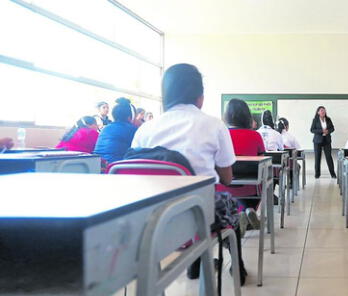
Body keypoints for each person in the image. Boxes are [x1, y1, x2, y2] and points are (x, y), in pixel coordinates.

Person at [131, 63, 248, 284]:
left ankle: (196, 264)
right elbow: (227, 178)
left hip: (153, 217)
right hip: (198, 212)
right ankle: (238, 267)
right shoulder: (213, 125)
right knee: (229, 206)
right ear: (200, 98)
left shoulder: (144, 130)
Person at [221, 98, 265, 230]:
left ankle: (242, 211)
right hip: (252, 189)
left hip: (224, 185)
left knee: (232, 187)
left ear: (227, 116)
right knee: (262, 181)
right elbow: (261, 160)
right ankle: (248, 209)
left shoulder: (222, 135)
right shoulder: (255, 135)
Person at [93, 98, 138, 163]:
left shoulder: (106, 128)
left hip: (97, 166)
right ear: (130, 117)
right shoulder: (132, 129)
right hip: (116, 168)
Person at [310, 106, 337, 178]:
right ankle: (317, 174)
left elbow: (332, 128)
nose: (323, 112)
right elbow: (312, 130)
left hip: (327, 140)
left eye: (324, 110)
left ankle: (333, 174)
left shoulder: (328, 119)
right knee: (317, 157)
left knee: (329, 157)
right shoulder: (315, 120)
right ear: (318, 112)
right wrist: (322, 131)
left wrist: (328, 131)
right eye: (321, 111)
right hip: (317, 141)